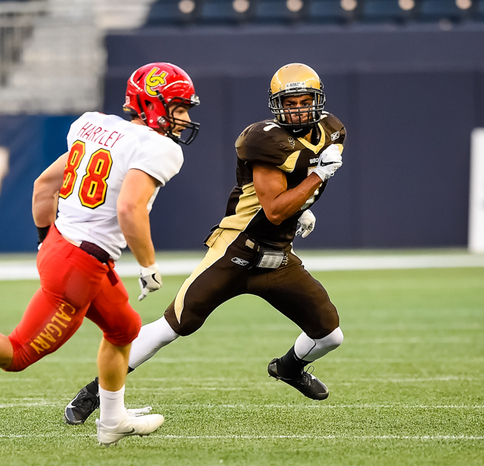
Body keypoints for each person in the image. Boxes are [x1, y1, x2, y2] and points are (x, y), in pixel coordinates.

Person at [0, 62, 201, 446]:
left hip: (62, 245)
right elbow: (129, 209)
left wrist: (46, 240)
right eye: (178, 108)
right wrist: (148, 265)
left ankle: (112, 420)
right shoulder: (158, 147)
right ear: (150, 103)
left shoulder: (93, 125)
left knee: (124, 327)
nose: (184, 118)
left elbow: (44, 185)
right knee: (16, 354)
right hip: (81, 264)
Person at [63, 62, 346, 426]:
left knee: (329, 335)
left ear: (317, 100)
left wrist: (303, 205)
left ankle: (289, 368)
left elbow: (294, 188)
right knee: (171, 327)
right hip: (237, 250)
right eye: (289, 103)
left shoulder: (331, 130)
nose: (297, 109)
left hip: (278, 258)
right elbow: (274, 210)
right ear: (276, 105)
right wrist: (315, 181)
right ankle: (92, 394)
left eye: (304, 101)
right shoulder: (265, 139)